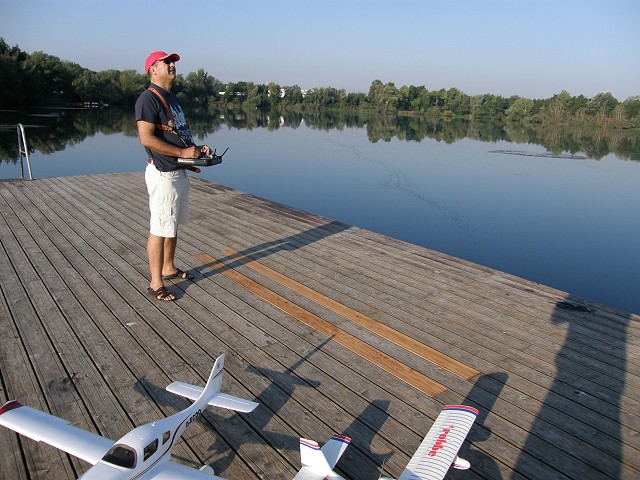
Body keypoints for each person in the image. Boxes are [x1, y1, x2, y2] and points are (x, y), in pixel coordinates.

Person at [135, 50, 211, 301]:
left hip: (178, 171)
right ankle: (155, 282)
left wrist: (196, 151)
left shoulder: (172, 99)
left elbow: (177, 135)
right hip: (162, 173)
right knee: (159, 226)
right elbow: (146, 138)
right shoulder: (148, 99)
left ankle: (168, 267)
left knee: (172, 223)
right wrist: (180, 151)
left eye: (173, 62)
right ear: (152, 69)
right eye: (166, 62)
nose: (171, 65)